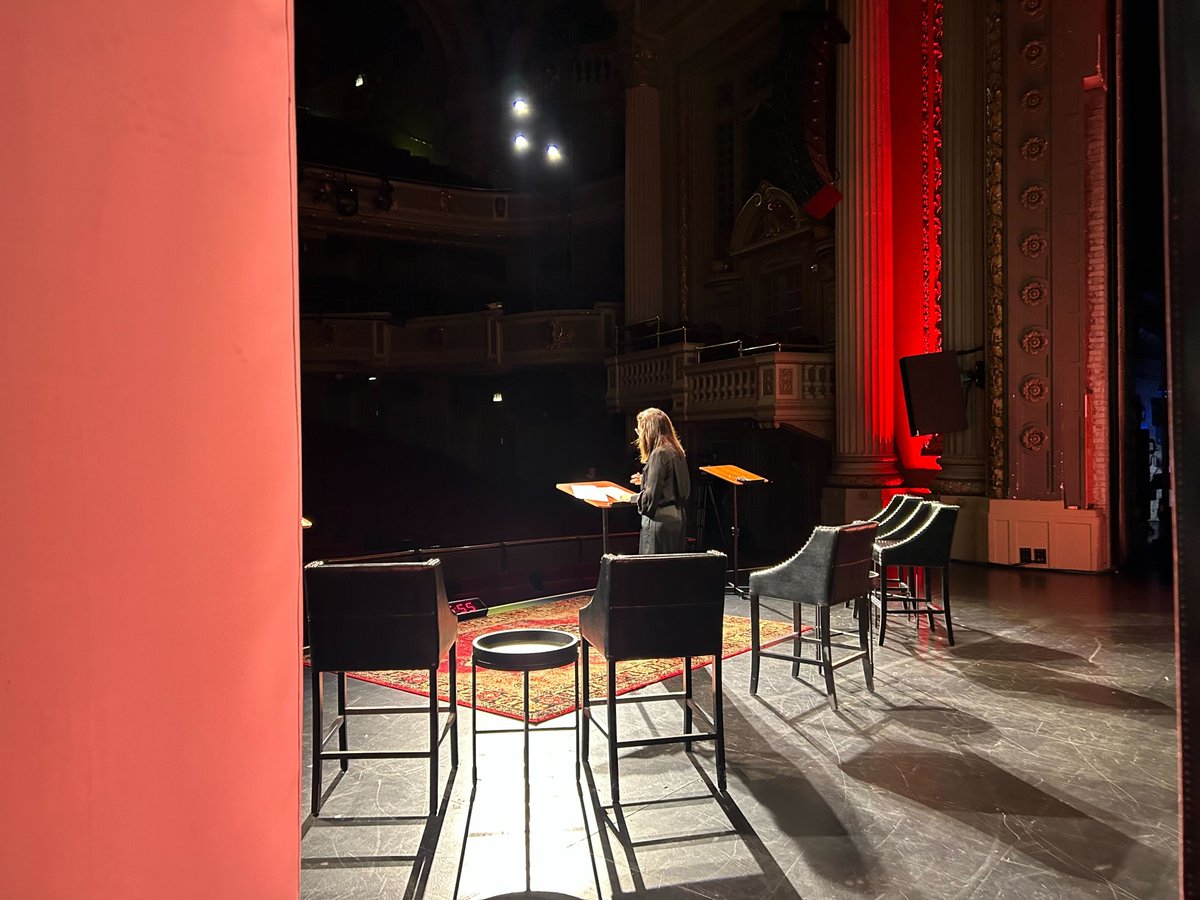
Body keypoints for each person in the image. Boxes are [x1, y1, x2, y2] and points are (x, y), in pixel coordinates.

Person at [630, 407, 690, 554]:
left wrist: (628, 498)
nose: (639, 436)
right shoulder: (676, 450)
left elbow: (650, 500)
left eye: (639, 431)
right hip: (677, 520)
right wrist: (646, 478)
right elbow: (673, 484)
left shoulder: (659, 453)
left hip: (659, 521)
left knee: (654, 572)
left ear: (648, 432)